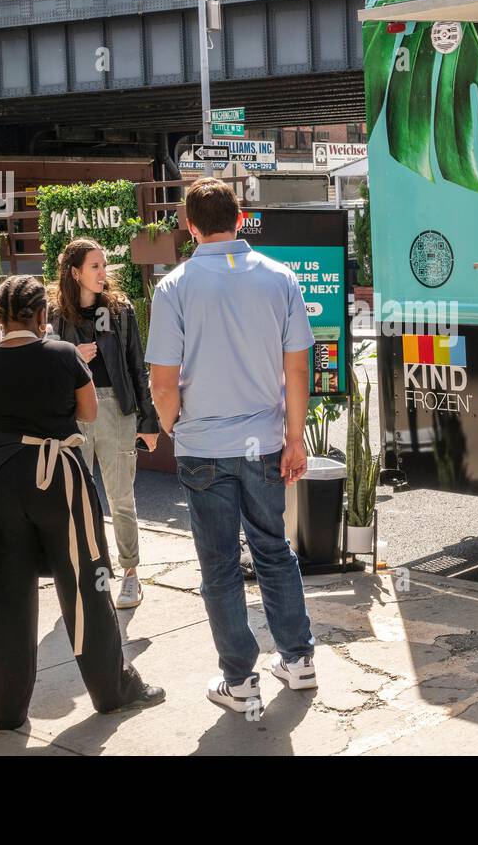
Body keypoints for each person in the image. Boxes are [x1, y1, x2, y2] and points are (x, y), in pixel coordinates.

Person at [0, 275, 164, 729]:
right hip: (60, 477)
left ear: (3, 318)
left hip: (1, 480)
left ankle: (5, 710)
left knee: (7, 593)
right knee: (86, 582)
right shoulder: (65, 355)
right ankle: (113, 690)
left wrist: (8, 438)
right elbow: (87, 414)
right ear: (42, 315)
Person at [147, 177, 317, 714]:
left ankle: (239, 680)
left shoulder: (174, 286)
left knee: (218, 565)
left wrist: (176, 427)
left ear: (189, 226)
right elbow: (297, 369)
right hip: (264, 440)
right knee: (273, 549)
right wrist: (295, 438)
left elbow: (163, 383)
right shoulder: (280, 277)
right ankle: (298, 659)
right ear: (241, 218)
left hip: (203, 443)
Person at [48, 239, 158, 610]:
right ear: (75, 271)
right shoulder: (54, 315)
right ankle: (90, 573)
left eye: (104, 265)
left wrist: (149, 420)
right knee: (76, 499)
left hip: (115, 408)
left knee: (120, 497)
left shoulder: (119, 311)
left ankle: (130, 574)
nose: (102, 273)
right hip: (72, 411)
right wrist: (69, 356)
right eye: (95, 266)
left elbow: (136, 366)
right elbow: (37, 364)